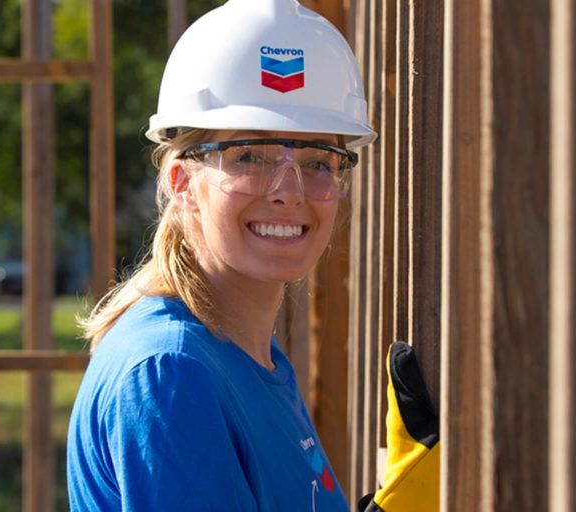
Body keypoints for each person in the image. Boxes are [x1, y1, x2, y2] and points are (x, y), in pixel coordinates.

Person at [67, 0, 376, 510]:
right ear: (181, 181)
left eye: (319, 160)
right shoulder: (169, 373)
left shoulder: (249, 354)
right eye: (250, 155)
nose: (288, 190)